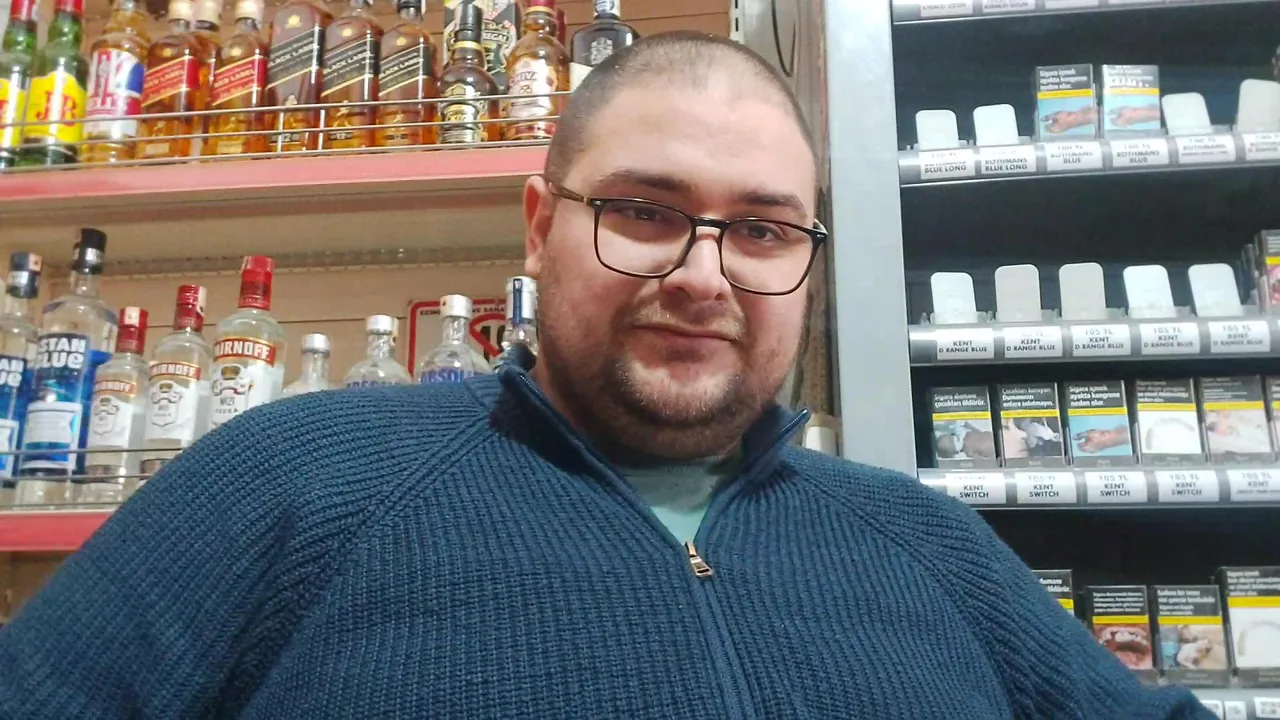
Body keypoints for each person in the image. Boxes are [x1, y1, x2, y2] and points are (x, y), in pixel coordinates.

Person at [0, 31, 1213, 719]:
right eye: (643, 212)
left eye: (760, 230)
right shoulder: (292, 480)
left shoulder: (924, 540)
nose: (702, 276)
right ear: (539, 228)